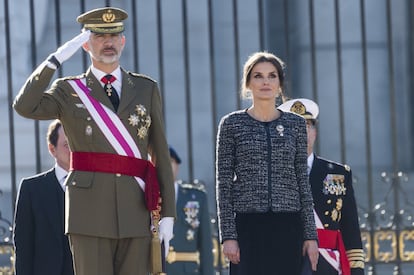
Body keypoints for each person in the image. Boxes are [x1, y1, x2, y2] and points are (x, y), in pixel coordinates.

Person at [13, 7, 176, 275]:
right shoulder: (69, 90)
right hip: (88, 213)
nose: (108, 42)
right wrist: (54, 61)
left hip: (134, 208)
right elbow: (24, 106)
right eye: (99, 36)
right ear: (86, 44)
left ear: (123, 41)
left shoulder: (146, 88)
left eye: (114, 35)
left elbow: (158, 151)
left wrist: (168, 213)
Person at [215, 51, 319, 275]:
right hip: (248, 226)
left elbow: (302, 180)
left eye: (272, 76)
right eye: (258, 76)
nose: (265, 82)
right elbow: (223, 184)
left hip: (288, 226)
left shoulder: (296, 125)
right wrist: (228, 236)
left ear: (280, 83)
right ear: (248, 83)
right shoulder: (232, 124)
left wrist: (310, 235)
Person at [278, 98, 365, 275]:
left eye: (307, 127)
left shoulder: (338, 173)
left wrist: (356, 270)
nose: (301, 133)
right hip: (285, 261)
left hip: (327, 264)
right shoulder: (273, 174)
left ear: (315, 132)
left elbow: (350, 228)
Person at [13, 119, 74, 275]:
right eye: (67, 145)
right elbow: (23, 246)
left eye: (76, 143)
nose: (74, 150)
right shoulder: (31, 189)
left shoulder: (95, 188)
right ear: (52, 149)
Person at [166, 147, 214, 275]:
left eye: (169, 161)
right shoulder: (148, 198)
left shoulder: (196, 197)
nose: (165, 166)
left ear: (177, 166)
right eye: (161, 162)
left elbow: (205, 246)